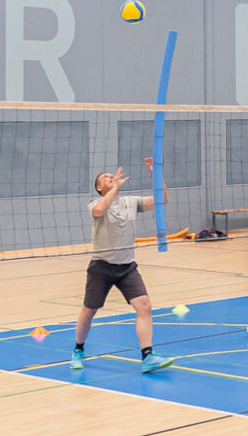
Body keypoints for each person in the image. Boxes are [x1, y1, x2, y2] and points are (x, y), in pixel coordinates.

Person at [70, 158, 173, 373]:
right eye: (106, 178)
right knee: (89, 311)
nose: (111, 177)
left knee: (144, 305)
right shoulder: (94, 202)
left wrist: (156, 173)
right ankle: (78, 350)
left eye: (112, 175)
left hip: (127, 267)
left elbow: (162, 199)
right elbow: (99, 210)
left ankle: (147, 356)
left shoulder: (130, 202)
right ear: (100, 187)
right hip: (102, 265)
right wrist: (114, 189)